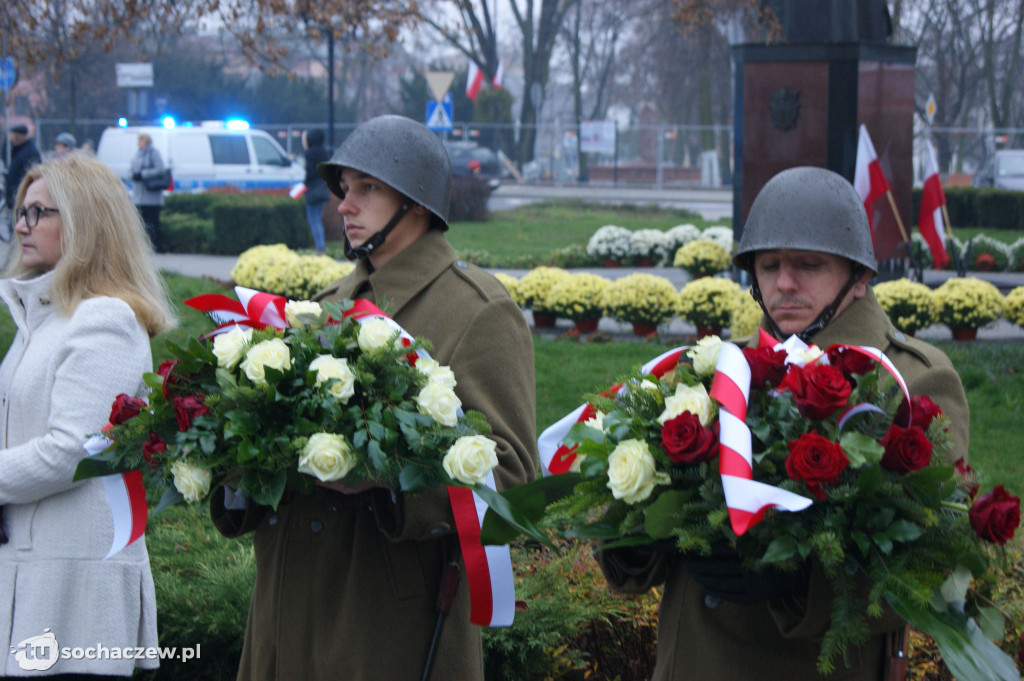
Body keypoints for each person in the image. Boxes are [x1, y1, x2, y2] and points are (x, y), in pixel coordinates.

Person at [597, 166, 970, 681]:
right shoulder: (715, 370)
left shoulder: (911, 381)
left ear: (859, 276)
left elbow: (937, 562)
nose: (784, 283)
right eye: (769, 265)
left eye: (808, 265)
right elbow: (631, 532)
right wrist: (644, 529)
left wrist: (799, 584)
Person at [210, 115, 538, 680]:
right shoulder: (325, 303)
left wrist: (385, 482)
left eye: (368, 188)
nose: (344, 204)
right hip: (287, 612)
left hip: (386, 626)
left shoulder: (478, 309)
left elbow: (510, 476)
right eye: (344, 188)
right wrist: (238, 451)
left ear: (415, 202)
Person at [0, 153, 176, 677]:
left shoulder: (105, 317)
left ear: (83, 223)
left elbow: (74, 449)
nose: (20, 225)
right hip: (38, 573)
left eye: (39, 213)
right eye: (21, 212)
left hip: (74, 591)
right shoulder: (44, 316)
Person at [129, 133, 166, 251]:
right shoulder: (137, 154)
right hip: (139, 195)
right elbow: (131, 169)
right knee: (140, 223)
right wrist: (133, 175)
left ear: (147, 142)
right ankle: (142, 246)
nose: (139, 143)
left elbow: (160, 169)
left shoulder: (154, 153)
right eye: (138, 141)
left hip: (151, 197)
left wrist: (143, 174)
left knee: (152, 222)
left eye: (142, 141)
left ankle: (154, 246)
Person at [302, 128, 331, 255]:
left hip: (313, 189)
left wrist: (304, 184)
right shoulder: (324, 152)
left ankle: (320, 248)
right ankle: (321, 247)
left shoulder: (310, 153)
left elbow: (310, 172)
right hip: (323, 187)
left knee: (313, 219)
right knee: (317, 219)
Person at [5, 124, 41, 215]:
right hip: (16, 197)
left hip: (22, 198)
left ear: (17, 136)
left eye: (12, 136)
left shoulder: (29, 152)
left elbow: (32, 175)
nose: (10, 139)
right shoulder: (19, 150)